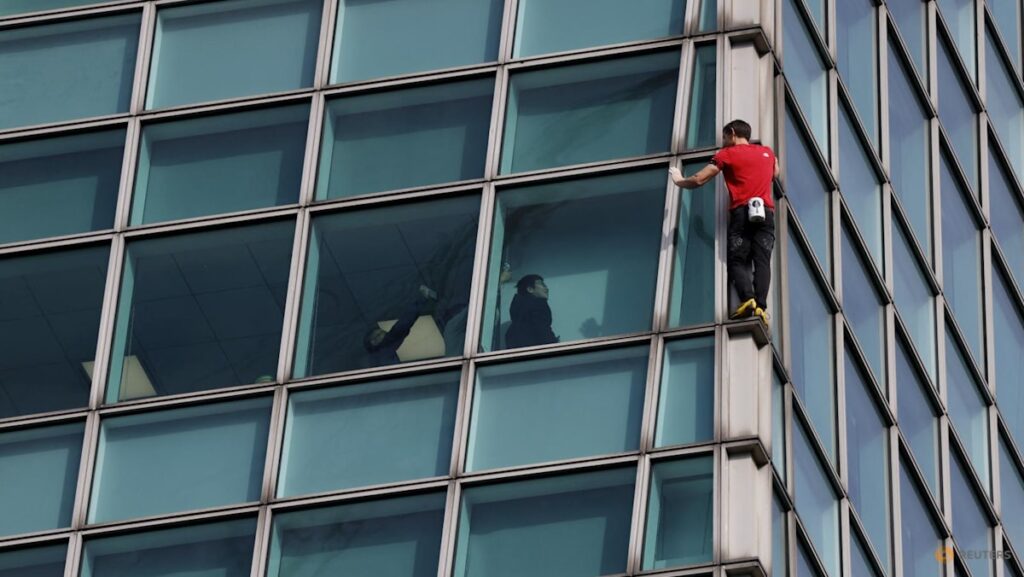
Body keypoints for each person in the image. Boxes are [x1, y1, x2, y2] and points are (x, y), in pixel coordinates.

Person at [669, 119, 778, 327]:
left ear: (732, 133)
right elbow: (776, 173)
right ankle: (761, 308)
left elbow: (700, 179)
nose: (724, 140)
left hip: (742, 212)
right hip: (766, 213)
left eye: (725, 136)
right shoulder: (767, 152)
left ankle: (748, 299)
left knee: (737, 259)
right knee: (762, 260)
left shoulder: (726, 155)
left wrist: (679, 180)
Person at [505, 274, 558, 349]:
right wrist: (555, 346)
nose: (547, 288)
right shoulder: (538, 304)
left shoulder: (518, 313)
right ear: (530, 289)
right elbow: (542, 329)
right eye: (542, 284)